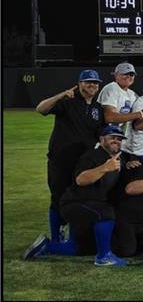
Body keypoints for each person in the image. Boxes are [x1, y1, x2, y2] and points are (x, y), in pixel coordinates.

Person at [24, 125, 127, 266]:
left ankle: (47, 246)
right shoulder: (91, 156)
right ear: (102, 139)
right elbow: (81, 179)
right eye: (112, 138)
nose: (116, 141)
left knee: (79, 249)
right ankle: (104, 257)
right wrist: (105, 168)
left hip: (90, 208)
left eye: (119, 139)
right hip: (75, 204)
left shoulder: (120, 157)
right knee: (106, 212)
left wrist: (133, 162)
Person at [35, 69, 105, 245]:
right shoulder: (67, 102)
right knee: (58, 196)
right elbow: (40, 109)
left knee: (79, 197)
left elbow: (100, 135)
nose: (92, 85)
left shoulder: (98, 108)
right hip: (62, 159)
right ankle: (57, 238)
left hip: (84, 163)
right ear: (79, 84)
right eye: (88, 81)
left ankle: (75, 235)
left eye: (95, 82)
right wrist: (60, 95)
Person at [98, 62, 143, 136]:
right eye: (125, 74)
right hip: (109, 136)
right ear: (116, 75)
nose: (129, 76)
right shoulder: (111, 88)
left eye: (131, 74)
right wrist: (139, 114)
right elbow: (110, 117)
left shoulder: (132, 94)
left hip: (123, 138)